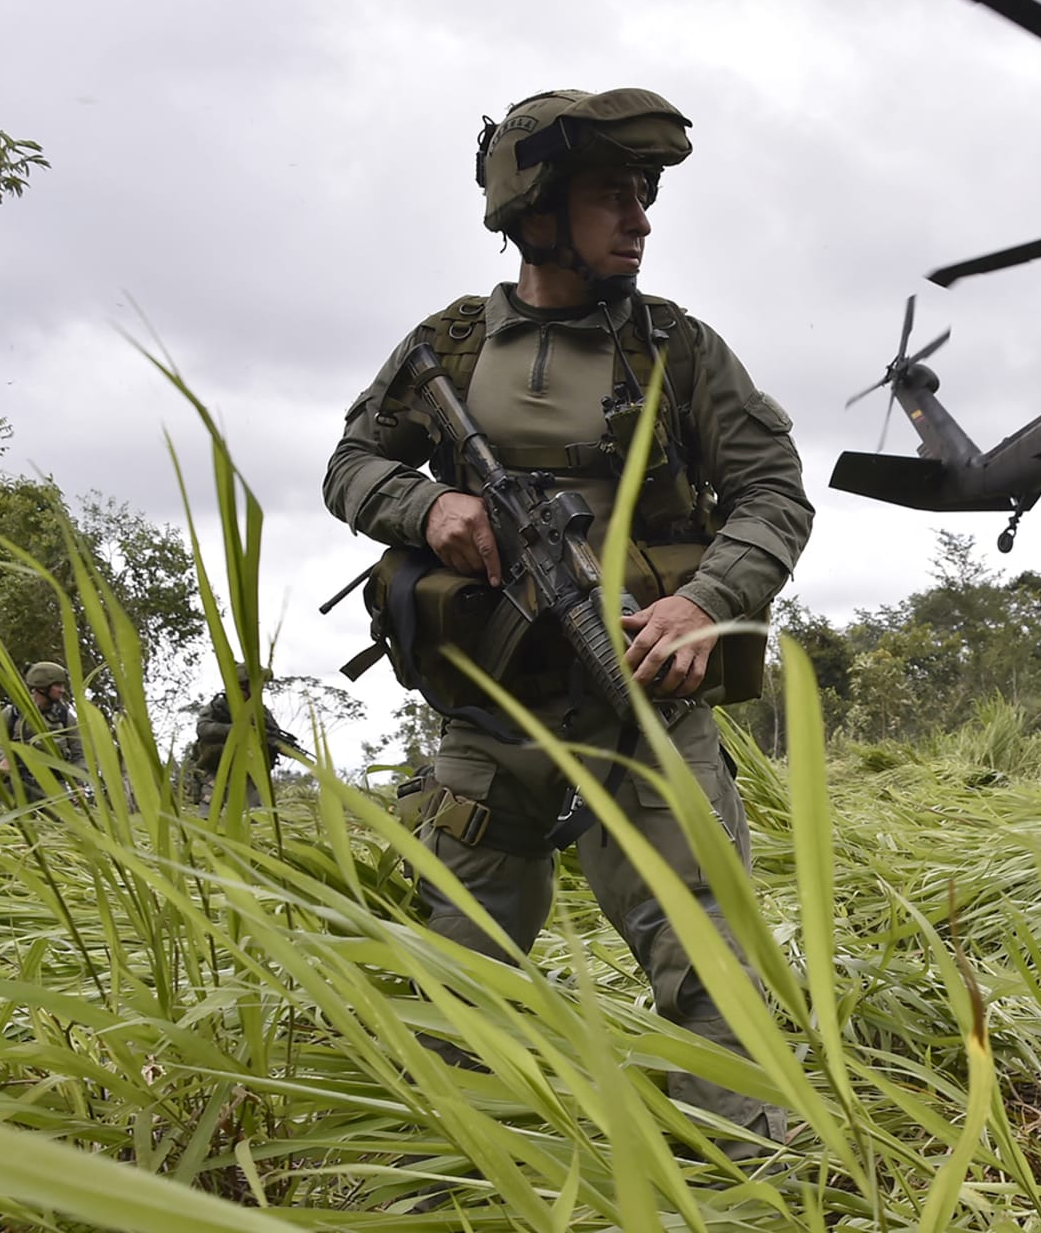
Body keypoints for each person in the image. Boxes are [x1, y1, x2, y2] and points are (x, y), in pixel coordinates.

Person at [322, 87, 812, 1158]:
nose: (641, 217)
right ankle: (455, 1174)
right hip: (490, 720)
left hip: (644, 707)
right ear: (537, 208)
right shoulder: (448, 346)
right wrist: (429, 505)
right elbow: (351, 464)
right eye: (613, 195)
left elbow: (775, 492)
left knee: (708, 962)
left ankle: (751, 1183)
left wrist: (702, 600)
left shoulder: (679, 350)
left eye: (646, 196)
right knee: (453, 972)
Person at [190, 673, 301, 815]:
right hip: (219, 761)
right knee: (210, 804)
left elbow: (272, 734)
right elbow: (203, 728)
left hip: (250, 766)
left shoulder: (261, 711)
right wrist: (235, 729)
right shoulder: (218, 705)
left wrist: (282, 747)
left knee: (254, 812)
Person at [0, 660, 85, 802]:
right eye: (58, 686)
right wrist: (2, 759)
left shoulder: (65, 717)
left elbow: (78, 753)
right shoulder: (13, 714)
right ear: (43, 687)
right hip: (18, 785)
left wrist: (79, 784)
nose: (62, 690)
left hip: (55, 788)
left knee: (59, 824)